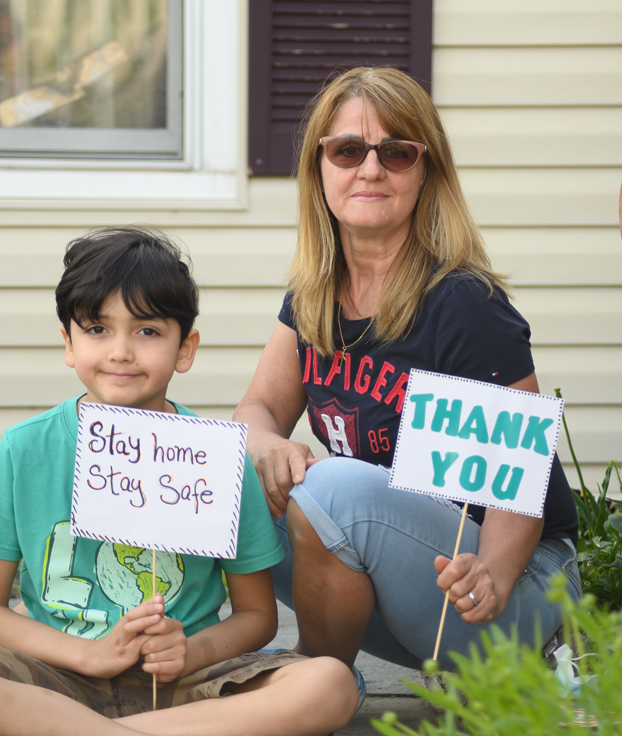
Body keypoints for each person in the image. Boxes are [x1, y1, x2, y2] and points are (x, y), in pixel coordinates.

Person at [0, 227, 358, 736]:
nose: (120, 351)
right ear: (68, 342)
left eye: (147, 331)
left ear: (186, 348)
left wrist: (189, 650)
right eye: (96, 329)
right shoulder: (25, 449)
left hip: (187, 684)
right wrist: (88, 656)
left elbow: (256, 616)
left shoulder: (218, 457)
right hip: (56, 678)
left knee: (330, 683)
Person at [233, 66, 582, 673]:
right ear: (319, 168)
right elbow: (259, 406)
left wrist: (493, 572)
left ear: (426, 171)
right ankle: (301, 676)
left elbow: (520, 485)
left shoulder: (464, 303)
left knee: (332, 487)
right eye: (347, 150)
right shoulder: (315, 295)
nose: (370, 169)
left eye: (395, 152)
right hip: (410, 580)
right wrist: (264, 442)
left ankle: (310, 681)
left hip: (512, 587)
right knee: (227, 483)